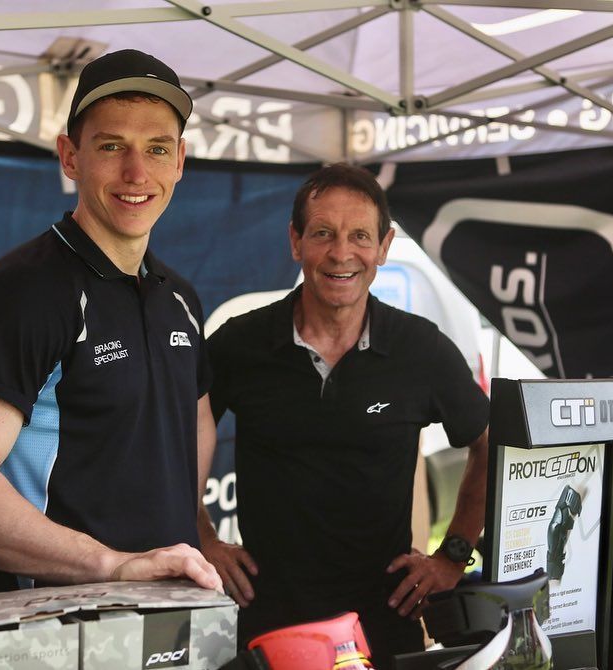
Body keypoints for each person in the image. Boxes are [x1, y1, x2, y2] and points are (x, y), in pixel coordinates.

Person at [0, 49, 221, 595]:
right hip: (58, 625)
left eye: (156, 149)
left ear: (180, 161)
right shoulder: (26, 291)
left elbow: (192, 424)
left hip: (173, 611)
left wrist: (195, 532)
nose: (136, 172)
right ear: (70, 156)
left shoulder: (180, 296)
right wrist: (113, 564)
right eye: (111, 146)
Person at [199, 163, 489, 669]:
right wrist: (200, 536)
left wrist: (453, 555)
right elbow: (168, 442)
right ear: (295, 241)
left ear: (384, 246)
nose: (341, 253)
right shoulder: (239, 344)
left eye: (359, 236)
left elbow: (491, 447)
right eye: (323, 234)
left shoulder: (420, 350)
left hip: (384, 623)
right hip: (270, 623)